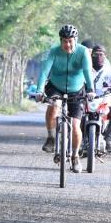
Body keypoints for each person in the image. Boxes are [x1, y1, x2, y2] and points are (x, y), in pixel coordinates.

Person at [34, 24, 95, 171]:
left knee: (75, 126)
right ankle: (51, 137)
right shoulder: (53, 51)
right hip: (56, 87)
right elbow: (44, 72)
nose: (67, 44)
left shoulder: (83, 51)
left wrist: (91, 89)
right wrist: (39, 90)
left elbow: (87, 71)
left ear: (76, 40)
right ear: (60, 40)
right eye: (64, 41)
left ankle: (75, 156)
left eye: (70, 41)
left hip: (77, 90)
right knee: (54, 105)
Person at [90, 44, 111, 153]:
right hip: (86, 101)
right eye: (96, 54)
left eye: (101, 54)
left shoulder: (110, 71)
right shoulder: (85, 69)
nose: (99, 57)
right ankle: (81, 139)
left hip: (104, 102)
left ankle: (109, 139)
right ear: (91, 56)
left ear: (105, 56)